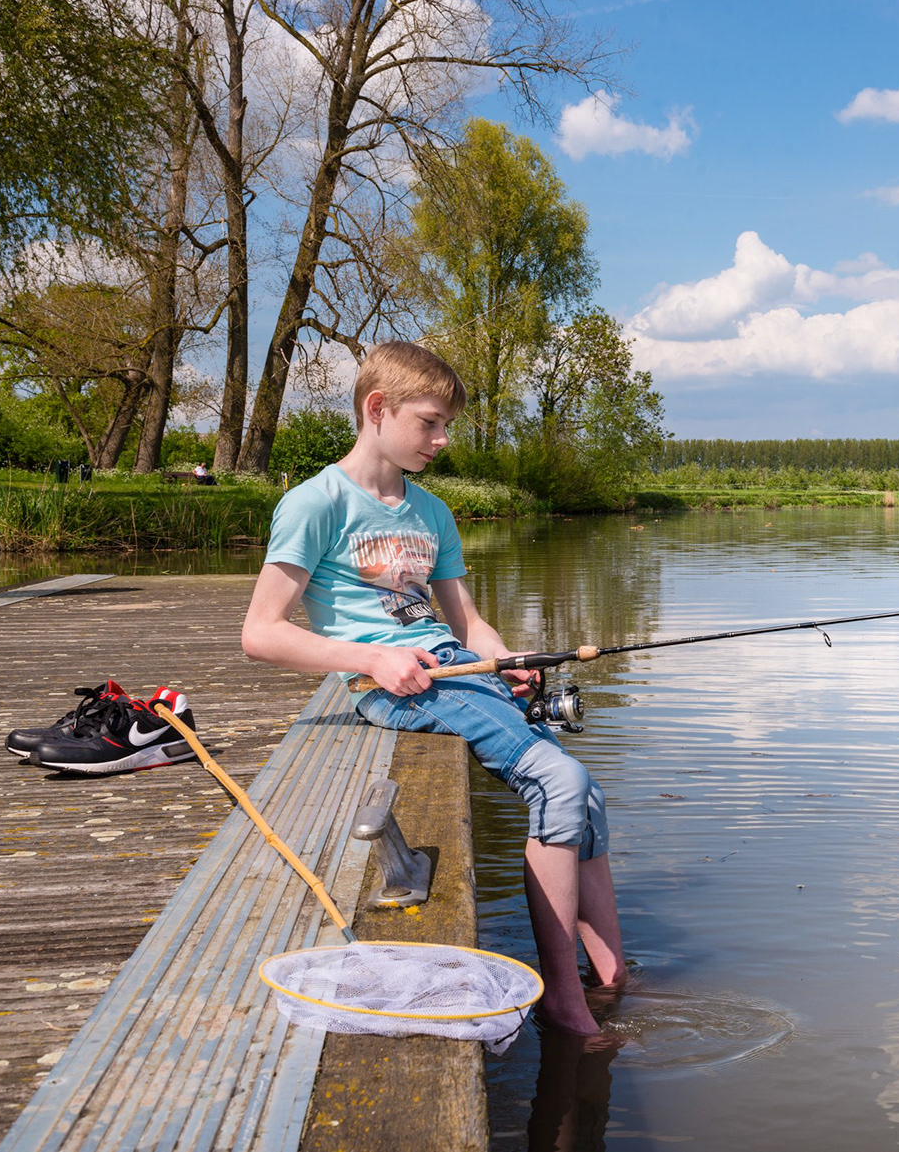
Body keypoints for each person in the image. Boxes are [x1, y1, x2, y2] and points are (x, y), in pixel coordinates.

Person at [240, 341, 624, 1035]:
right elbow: (261, 633)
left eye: (446, 425)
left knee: (585, 791)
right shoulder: (316, 503)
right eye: (430, 422)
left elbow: (468, 623)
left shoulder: (432, 512)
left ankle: (614, 976)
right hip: (388, 682)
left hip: (453, 669)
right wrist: (372, 658)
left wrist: (504, 659)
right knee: (558, 782)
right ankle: (564, 1001)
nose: (442, 439)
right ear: (377, 408)